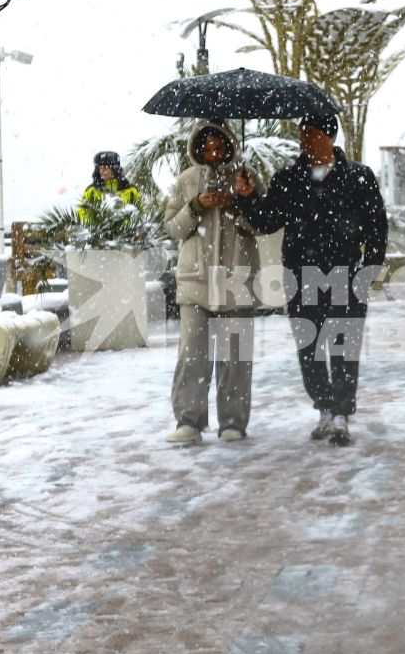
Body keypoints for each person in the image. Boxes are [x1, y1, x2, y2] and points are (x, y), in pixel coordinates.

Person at [235, 112, 387, 447]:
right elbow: (267, 220)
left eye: (312, 133)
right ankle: (324, 409)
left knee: (343, 347)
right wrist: (247, 196)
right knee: (310, 348)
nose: (305, 139)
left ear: (330, 136)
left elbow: (377, 226)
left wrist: (369, 268)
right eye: (303, 133)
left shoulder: (358, 177)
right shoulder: (289, 178)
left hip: (347, 275)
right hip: (300, 276)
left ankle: (342, 414)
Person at [161, 121, 265, 446]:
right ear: (197, 149)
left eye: (219, 146)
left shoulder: (247, 178)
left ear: (230, 145)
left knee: (235, 356)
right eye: (206, 147)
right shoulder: (186, 181)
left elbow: (261, 223)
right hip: (197, 280)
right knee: (193, 353)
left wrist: (239, 202)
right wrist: (197, 206)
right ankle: (188, 421)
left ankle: (233, 421)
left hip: (236, 278)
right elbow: (173, 229)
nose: (213, 152)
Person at [79, 151, 140, 222]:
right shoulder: (92, 190)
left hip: (129, 232)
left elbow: (142, 211)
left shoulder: (131, 190)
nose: (102, 171)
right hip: (100, 232)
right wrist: (93, 227)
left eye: (105, 167)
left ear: (114, 168)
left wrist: (130, 225)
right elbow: (82, 212)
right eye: (100, 168)